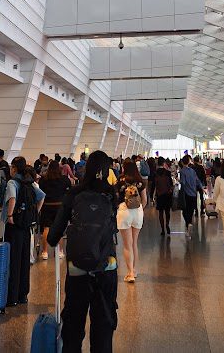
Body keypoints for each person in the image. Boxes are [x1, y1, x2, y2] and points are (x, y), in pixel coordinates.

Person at [47, 150, 118, 353]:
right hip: (106, 266)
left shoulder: (74, 193)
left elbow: (53, 236)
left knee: (74, 324)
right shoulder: (111, 194)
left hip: (78, 268)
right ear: (107, 170)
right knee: (103, 325)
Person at [2, 156, 45, 306]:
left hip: (14, 226)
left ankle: (12, 297)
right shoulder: (29, 182)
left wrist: (10, 215)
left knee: (13, 260)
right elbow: (42, 196)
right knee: (24, 259)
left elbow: (12, 198)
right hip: (26, 226)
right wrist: (34, 213)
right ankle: (23, 295)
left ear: (14, 168)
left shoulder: (12, 182)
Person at [116, 159, 146, 283]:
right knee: (134, 243)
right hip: (138, 212)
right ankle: (134, 270)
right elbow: (145, 200)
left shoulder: (121, 180)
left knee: (127, 245)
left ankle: (130, 274)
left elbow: (116, 197)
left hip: (124, 211)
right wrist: (139, 210)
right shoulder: (140, 181)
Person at [39, 160, 71, 259]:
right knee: (59, 229)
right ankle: (60, 251)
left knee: (46, 228)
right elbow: (69, 190)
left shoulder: (43, 179)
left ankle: (45, 252)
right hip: (60, 206)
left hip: (47, 206)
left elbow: (40, 192)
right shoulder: (64, 179)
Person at [179, 155, 200, 236]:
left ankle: (188, 224)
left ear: (182, 162)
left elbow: (183, 183)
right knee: (191, 210)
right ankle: (190, 222)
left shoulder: (182, 171)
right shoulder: (192, 171)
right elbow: (197, 180)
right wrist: (202, 188)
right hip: (193, 193)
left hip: (186, 193)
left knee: (185, 210)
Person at [154, 157, 173, 236]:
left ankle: (162, 229)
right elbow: (171, 184)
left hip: (159, 194)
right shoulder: (168, 172)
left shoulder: (155, 173)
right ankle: (167, 224)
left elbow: (153, 186)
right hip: (167, 194)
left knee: (161, 212)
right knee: (167, 211)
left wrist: (152, 196)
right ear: (163, 163)